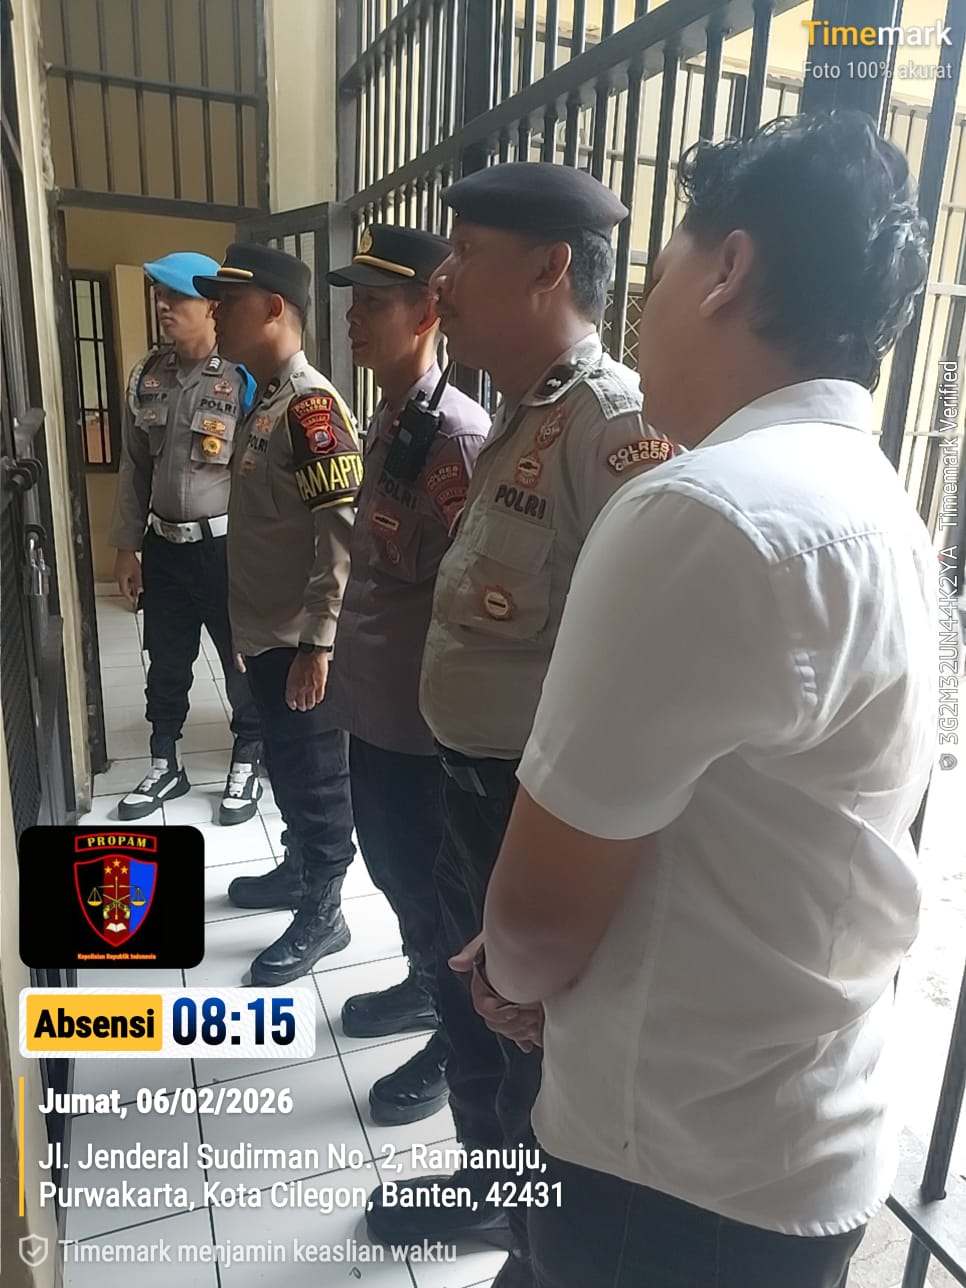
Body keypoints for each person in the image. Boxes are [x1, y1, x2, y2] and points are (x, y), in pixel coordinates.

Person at [481, 113, 936, 1288]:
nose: (643, 304)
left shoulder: (706, 510)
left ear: (727, 268)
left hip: (671, 1176)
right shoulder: (877, 506)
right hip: (795, 1143)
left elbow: (537, 922)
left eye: (663, 265)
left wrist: (503, 976)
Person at [364, 164, 675, 1283]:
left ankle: (539, 1242)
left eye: (467, 253)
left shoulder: (611, 426)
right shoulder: (520, 413)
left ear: (549, 268)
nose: (444, 276)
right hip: (468, 790)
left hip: (530, 807)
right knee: (470, 1016)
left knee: (534, 1046)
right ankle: (492, 1188)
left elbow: (642, 668)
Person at [321, 224, 489, 1125]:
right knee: (390, 869)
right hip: (378, 708)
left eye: (374, 304)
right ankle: (425, 985)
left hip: (422, 729)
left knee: (431, 887)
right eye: (354, 303)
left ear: (428, 312)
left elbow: (469, 594)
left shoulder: (457, 436)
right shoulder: (393, 417)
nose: (354, 320)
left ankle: (453, 1031)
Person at [193, 244, 361, 987]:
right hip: (266, 636)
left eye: (228, 302)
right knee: (289, 770)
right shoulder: (265, 398)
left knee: (317, 778)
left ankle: (326, 910)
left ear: (271, 309)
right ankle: (299, 869)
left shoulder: (311, 407)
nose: (215, 313)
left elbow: (339, 535)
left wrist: (318, 645)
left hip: (298, 642)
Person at [110, 252, 263, 825]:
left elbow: (263, 474)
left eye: (176, 296)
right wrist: (126, 547)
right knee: (166, 658)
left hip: (226, 550)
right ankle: (164, 761)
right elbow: (134, 468)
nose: (163, 305)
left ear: (212, 306)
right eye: (159, 294)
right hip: (163, 548)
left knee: (239, 658)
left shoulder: (243, 377)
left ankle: (247, 756)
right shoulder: (148, 376)